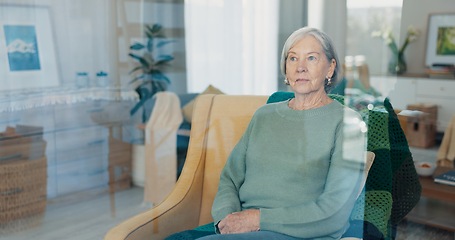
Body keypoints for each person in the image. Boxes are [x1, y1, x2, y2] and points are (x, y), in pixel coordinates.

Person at [167, 26, 367, 240]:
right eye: (292, 58)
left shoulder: (348, 123)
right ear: (286, 70)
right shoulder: (264, 115)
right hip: (243, 228)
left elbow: (334, 214)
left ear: (330, 68)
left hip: (300, 233)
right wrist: (227, 219)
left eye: (311, 58)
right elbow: (230, 178)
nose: (300, 67)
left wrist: (257, 220)